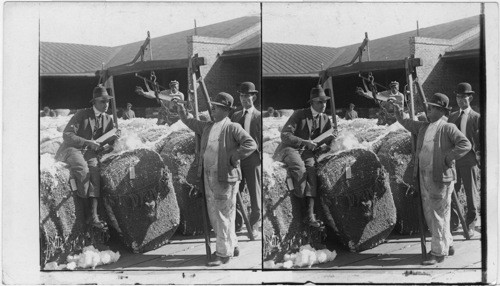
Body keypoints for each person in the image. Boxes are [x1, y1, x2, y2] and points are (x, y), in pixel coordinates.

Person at [174, 92, 257, 267]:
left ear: (226, 110)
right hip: (208, 175)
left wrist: (233, 157)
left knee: (222, 214)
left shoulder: (232, 127)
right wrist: (182, 111)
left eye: (216, 107)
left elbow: (250, 144)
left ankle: (223, 253)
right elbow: (191, 122)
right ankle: (231, 245)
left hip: (225, 177)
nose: (212, 109)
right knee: (220, 213)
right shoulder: (208, 126)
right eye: (213, 106)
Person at [392, 93, 471, 265]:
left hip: (440, 177)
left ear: (441, 110)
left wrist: (448, 158)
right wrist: (398, 112)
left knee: (437, 214)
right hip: (424, 175)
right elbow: (407, 123)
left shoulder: (447, 127)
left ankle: (437, 253)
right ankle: (447, 244)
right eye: (428, 107)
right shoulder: (424, 126)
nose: (427, 110)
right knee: (434, 213)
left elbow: (465, 144)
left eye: (431, 108)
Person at [55, 85, 119, 229]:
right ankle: (83, 214)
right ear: (94, 102)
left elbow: (107, 141)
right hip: (72, 148)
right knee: (83, 171)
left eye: (107, 101)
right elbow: (67, 135)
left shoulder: (108, 119)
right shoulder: (81, 114)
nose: (106, 104)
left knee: (95, 173)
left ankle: (94, 216)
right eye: (102, 101)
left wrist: (114, 139)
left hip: (90, 152)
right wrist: (87, 142)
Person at [273, 85, 336, 228]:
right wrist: (304, 142)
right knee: (300, 170)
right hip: (290, 148)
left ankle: (310, 215)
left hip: (307, 152)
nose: (323, 105)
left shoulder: (325, 119)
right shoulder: (299, 115)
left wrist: (330, 141)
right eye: (320, 102)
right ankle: (300, 210)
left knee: (312, 172)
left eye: (325, 102)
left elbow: (326, 139)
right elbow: (285, 135)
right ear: (312, 102)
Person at [230, 82, 262, 239]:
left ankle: (254, 225)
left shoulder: (258, 116)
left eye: (247, 96)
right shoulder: (235, 116)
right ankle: (237, 224)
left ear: (253, 97)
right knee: (236, 191)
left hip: (253, 159)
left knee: (255, 193)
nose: (243, 99)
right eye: (241, 96)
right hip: (238, 158)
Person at [449, 83, 481, 237]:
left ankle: (470, 224)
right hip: (454, 159)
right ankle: (455, 222)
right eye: (458, 97)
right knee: (452, 191)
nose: (460, 100)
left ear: (471, 98)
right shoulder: (452, 116)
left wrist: (479, 159)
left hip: (469, 159)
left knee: (470, 192)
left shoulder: (476, 118)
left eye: (464, 97)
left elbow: (481, 141)